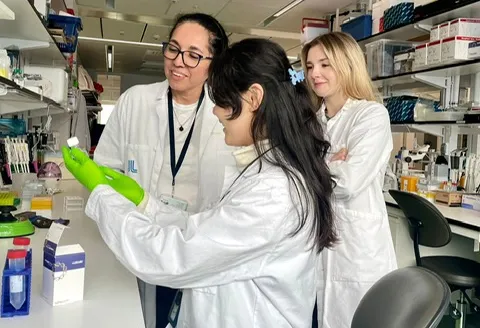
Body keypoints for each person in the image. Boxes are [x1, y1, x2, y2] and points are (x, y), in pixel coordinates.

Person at [62, 38, 337, 328]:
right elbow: (204, 230)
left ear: (254, 98)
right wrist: (144, 202)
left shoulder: (274, 192)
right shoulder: (266, 168)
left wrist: (102, 194)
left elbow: (171, 256)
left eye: (221, 100)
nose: (216, 111)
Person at [92, 13, 232, 328]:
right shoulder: (135, 101)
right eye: (173, 49)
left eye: (193, 55)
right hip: (138, 241)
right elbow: (105, 168)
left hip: (196, 247)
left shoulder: (226, 113)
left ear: (214, 62)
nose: (178, 61)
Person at [301, 31, 397, 328]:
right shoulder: (310, 120)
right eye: (309, 66)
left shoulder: (371, 116)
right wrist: (330, 163)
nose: (315, 73)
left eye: (325, 64)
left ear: (347, 65)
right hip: (313, 246)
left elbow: (348, 182)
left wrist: (312, 166)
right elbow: (292, 175)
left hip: (356, 252)